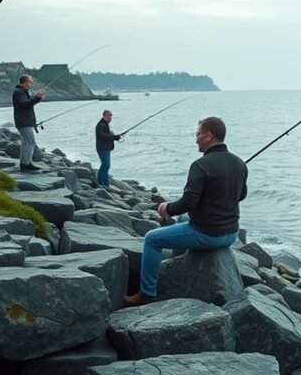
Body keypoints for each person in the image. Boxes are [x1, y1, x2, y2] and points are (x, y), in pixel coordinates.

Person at [125, 117, 248, 307]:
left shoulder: (200, 165)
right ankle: (178, 264)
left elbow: (189, 203)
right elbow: (241, 195)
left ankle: (147, 293)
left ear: (208, 136)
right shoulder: (239, 163)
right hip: (231, 234)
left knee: (151, 239)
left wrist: (167, 208)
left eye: (198, 134)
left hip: (208, 234)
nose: (196, 139)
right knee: (183, 219)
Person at [12, 74, 45, 171]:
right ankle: (26, 165)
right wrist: (37, 97)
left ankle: (25, 163)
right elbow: (24, 104)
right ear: (25, 83)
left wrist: (37, 98)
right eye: (30, 82)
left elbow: (29, 103)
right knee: (30, 142)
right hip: (23, 122)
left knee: (26, 142)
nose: (31, 83)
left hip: (24, 121)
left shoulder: (22, 92)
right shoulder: (19, 93)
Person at [95, 110, 126, 187]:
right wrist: (115, 137)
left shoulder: (104, 125)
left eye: (111, 116)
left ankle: (105, 183)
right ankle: (101, 183)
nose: (110, 118)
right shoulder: (101, 125)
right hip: (103, 149)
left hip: (105, 148)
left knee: (106, 165)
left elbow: (107, 136)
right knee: (105, 165)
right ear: (104, 116)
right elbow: (103, 136)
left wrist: (117, 136)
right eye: (109, 116)